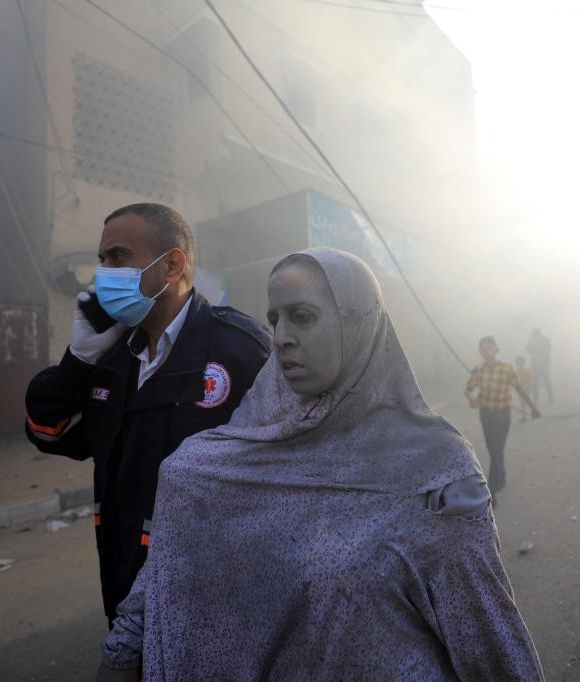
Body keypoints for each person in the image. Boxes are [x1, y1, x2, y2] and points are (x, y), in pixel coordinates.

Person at [96, 248, 544, 681]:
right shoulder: (230, 454)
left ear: (358, 325)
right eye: (275, 319)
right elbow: (170, 566)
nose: (282, 336)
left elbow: (487, 635)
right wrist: (123, 649)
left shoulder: (433, 469)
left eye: (303, 317)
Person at [24, 203, 270, 625]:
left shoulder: (240, 352)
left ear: (172, 265)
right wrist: (78, 360)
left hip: (217, 600)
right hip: (124, 588)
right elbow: (49, 432)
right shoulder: (110, 358)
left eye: (117, 257)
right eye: (101, 260)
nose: (103, 273)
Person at [465, 337, 542, 494]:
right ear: (481, 352)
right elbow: (468, 389)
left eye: (490, 347)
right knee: (492, 450)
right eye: (484, 349)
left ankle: (491, 491)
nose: (487, 351)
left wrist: (533, 408)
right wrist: (471, 398)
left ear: (496, 349)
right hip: (486, 415)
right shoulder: (478, 370)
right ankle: (502, 475)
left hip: (502, 415)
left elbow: (520, 389)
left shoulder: (507, 369)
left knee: (497, 450)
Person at [526, 328, 553, 404]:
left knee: (547, 381)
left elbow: (549, 348)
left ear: (539, 334)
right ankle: (536, 400)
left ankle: (550, 399)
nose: (535, 337)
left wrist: (537, 348)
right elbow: (527, 349)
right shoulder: (531, 340)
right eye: (534, 336)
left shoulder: (546, 340)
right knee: (535, 383)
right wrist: (531, 347)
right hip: (535, 365)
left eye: (536, 335)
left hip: (544, 364)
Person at [514, 355, 534, 422]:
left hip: (527, 388)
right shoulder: (516, 371)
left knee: (526, 402)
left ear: (523, 363)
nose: (519, 364)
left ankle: (532, 413)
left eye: (520, 362)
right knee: (522, 403)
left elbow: (530, 379)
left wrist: (528, 387)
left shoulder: (527, 370)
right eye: (517, 362)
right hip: (521, 389)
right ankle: (524, 416)